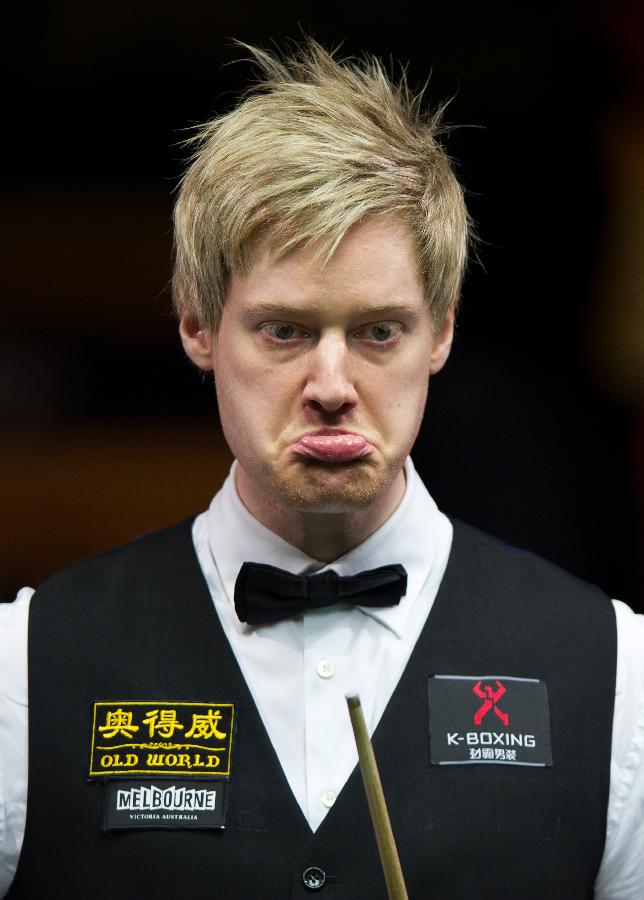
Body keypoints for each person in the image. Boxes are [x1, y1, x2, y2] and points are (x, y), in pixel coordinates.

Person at [1, 39, 643, 900]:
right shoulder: (24, 671)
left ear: (443, 332)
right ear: (197, 326)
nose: (333, 387)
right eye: (285, 331)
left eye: (379, 331)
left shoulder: (615, 672)